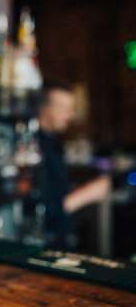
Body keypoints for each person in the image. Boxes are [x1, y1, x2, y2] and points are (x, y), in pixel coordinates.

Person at [37, 81, 111, 249]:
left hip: (62, 240)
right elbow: (37, 211)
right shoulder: (32, 148)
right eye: (63, 108)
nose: (69, 115)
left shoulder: (54, 143)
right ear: (44, 108)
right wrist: (86, 194)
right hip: (43, 246)